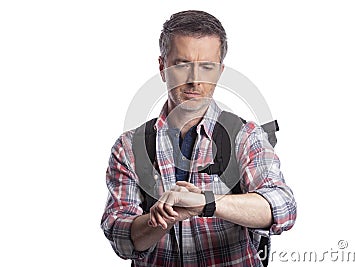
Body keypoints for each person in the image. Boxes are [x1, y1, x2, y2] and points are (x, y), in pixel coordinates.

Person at [101, 10, 296, 266]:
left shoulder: (245, 136)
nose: (195, 81)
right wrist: (160, 219)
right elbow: (120, 236)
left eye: (207, 67)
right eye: (182, 65)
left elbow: (283, 207)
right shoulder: (129, 147)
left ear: (220, 71)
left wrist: (206, 203)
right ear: (162, 67)